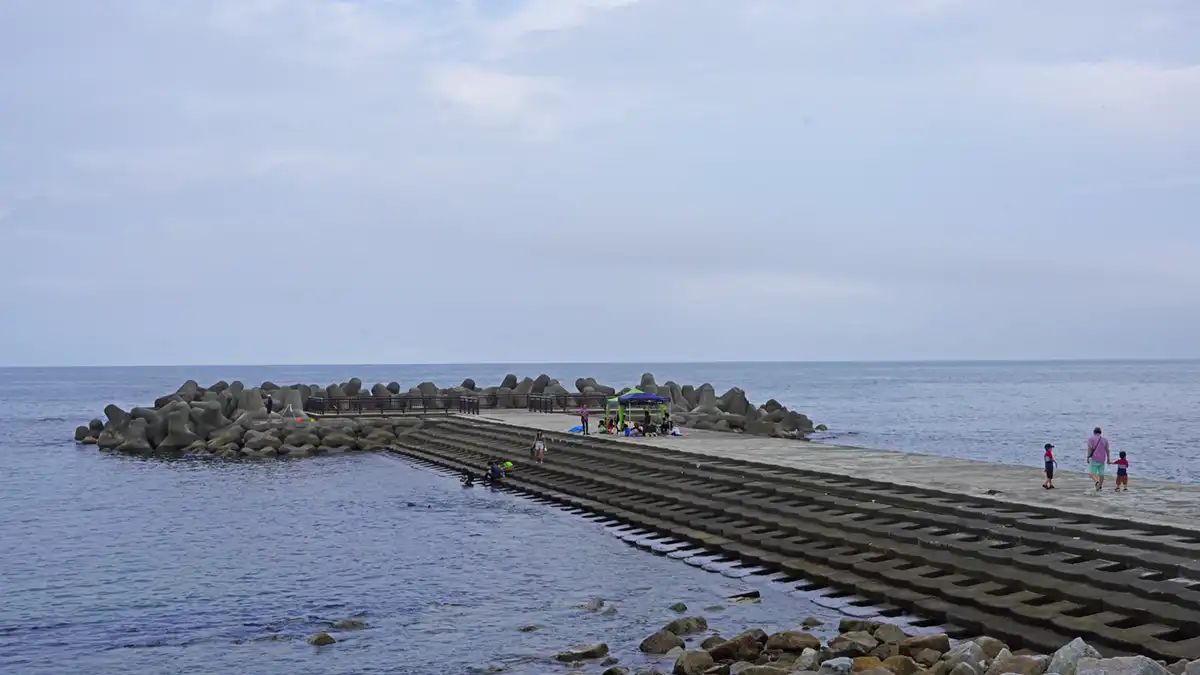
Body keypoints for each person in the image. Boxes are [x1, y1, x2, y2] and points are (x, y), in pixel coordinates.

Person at [1087, 427, 1109, 492]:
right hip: (1102, 459)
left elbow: (1090, 448)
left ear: (1094, 432)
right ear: (1100, 432)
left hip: (1094, 458)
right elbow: (1107, 450)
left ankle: (1097, 483)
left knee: (1092, 474)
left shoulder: (1091, 439)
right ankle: (1100, 486)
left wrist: (1088, 457)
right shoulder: (1104, 439)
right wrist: (1108, 458)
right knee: (1101, 473)